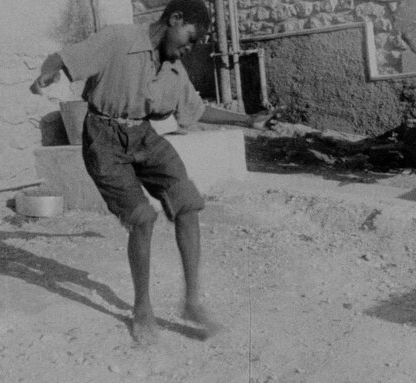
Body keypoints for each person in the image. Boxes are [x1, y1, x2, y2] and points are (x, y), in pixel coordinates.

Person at [30, 0, 276, 345]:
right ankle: (142, 308)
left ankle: (191, 302)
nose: (189, 49)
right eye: (190, 39)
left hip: (144, 135)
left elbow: (197, 110)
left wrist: (247, 120)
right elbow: (62, 59)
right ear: (175, 18)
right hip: (103, 138)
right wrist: (47, 71)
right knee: (142, 218)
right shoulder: (119, 39)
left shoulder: (174, 69)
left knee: (188, 204)